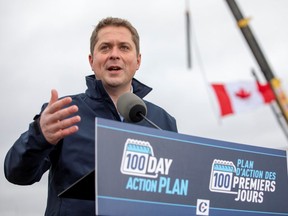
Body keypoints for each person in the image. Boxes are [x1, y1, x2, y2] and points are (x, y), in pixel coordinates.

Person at [4, 17, 177, 215]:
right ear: (91, 61)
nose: (114, 55)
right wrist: (39, 135)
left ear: (138, 60)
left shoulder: (162, 122)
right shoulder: (62, 113)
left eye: (124, 47)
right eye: (105, 48)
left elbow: (173, 194)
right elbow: (17, 174)